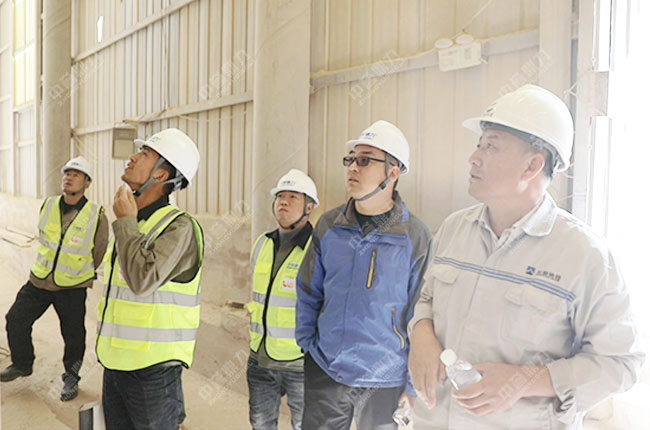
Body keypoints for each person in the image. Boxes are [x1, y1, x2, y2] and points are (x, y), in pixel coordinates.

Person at [408, 84, 645, 429]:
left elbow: (621, 364)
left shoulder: (585, 255)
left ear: (532, 165)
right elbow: (426, 299)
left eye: (491, 146)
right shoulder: (454, 229)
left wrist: (524, 382)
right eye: (479, 144)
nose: (474, 157)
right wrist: (421, 333)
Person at [296, 120, 433, 430]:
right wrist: (307, 344)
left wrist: (412, 385)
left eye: (365, 160)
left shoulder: (415, 236)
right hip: (327, 367)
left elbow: (422, 312)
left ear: (393, 172)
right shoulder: (330, 226)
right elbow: (308, 289)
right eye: (350, 159)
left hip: (385, 377)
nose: (353, 168)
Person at [96, 128, 203, 430]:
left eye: (143, 155)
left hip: (153, 371)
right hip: (116, 361)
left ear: (160, 174)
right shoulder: (133, 223)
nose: (131, 158)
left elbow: (142, 280)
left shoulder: (178, 228)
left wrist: (125, 222)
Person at [1, 156, 108, 401]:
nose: (69, 178)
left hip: (72, 286)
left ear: (87, 183)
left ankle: (71, 377)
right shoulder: (48, 205)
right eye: (67, 173)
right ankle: (22, 364)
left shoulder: (96, 215)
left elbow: (99, 251)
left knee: (73, 336)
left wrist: (78, 271)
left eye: (76, 175)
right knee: (15, 319)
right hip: (40, 280)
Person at [247, 168, 319, 430]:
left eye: (293, 197)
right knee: (261, 423)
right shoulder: (262, 243)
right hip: (261, 358)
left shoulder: (317, 248)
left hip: (301, 363)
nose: (284, 202)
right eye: (280, 196)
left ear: (309, 207)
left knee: (306, 425)